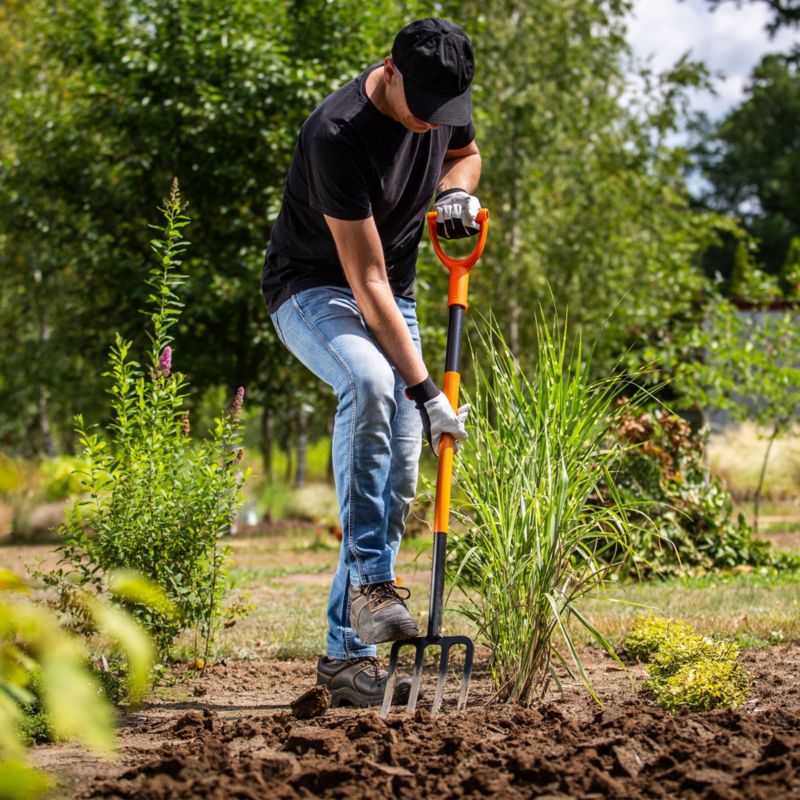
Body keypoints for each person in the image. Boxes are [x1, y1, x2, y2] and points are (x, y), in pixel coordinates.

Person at [261, 17, 482, 707]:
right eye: (420, 110)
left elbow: (467, 156)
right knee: (369, 382)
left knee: (398, 482)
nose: (429, 126)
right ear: (389, 69)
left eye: (440, 114)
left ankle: (344, 662)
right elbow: (367, 280)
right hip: (315, 290)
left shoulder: (442, 100)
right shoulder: (337, 132)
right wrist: (427, 391)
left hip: (397, 296)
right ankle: (369, 585)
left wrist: (454, 192)